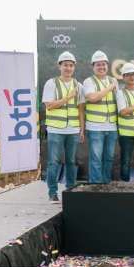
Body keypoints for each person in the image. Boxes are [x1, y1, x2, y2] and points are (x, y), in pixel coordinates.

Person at [42, 51, 85, 202]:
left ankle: (71, 189)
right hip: (55, 129)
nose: (68, 68)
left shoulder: (78, 86)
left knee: (71, 161)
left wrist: (82, 129)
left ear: (74, 68)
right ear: (59, 66)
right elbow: (49, 105)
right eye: (65, 65)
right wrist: (67, 98)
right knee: (54, 161)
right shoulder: (51, 83)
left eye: (71, 65)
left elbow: (80, 109)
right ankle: (52, 192)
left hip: (73, 129)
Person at [82, 50, 118, 184]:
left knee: (109, 158)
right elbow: (92, 97)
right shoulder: (88, 81)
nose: (101, 67)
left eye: (103, 64)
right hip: (96, 127)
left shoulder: (113, 81)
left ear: (107, 66)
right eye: (98, 65)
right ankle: (96, 186)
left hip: (112, 126)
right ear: (93, 67)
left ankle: (106, 184)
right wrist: (110, 87)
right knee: (96, 158)